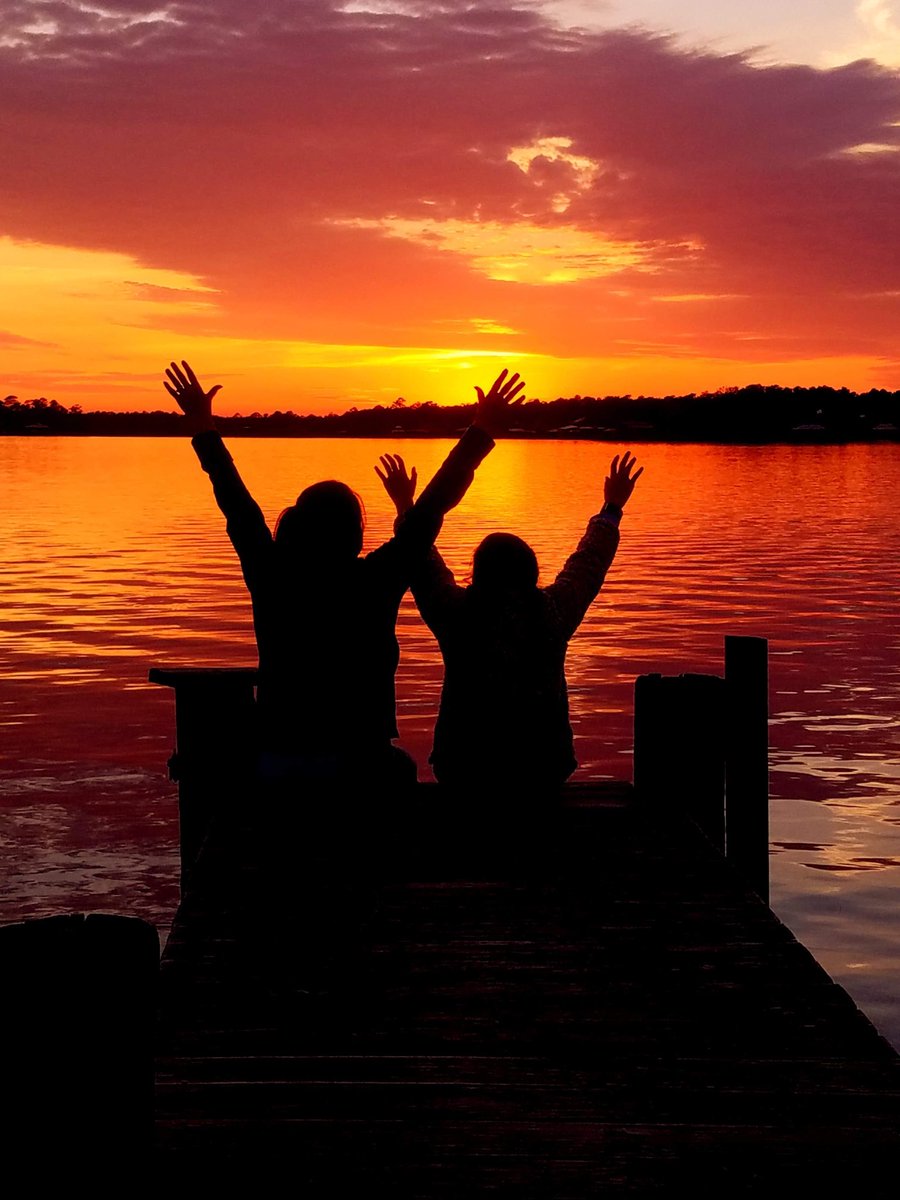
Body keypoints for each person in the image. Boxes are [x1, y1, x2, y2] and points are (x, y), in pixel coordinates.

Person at [163, 359, 524, 792]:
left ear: (296, 525)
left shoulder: (271, 572)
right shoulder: (375, 580)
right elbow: (431, 509)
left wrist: (203, 428)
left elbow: (236, 502)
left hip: (281, 763)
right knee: (400, 774)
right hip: (361, 764)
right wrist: (480, 431)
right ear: (354, 533)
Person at [377, 449, 643, 794]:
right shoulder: (554, 610)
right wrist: (612, 507)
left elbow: (421, 558)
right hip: (543, 767)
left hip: (463, 765)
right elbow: (589, 562)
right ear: (531, 572)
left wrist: (406, 507)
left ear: (477, 573)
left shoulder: (455, 613)